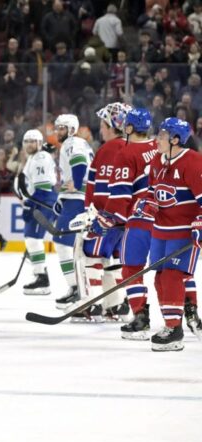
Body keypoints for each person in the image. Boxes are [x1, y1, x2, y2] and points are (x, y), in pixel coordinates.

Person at [96, 108, 157, 338]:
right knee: (172, 271)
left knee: (131, 267)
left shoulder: (126, 152)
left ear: (129, 128)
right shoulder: (157, 148)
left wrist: (108, 219)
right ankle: (188, 315)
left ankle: (140, 316)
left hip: (140, 219)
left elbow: (121, 195)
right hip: (163, 220)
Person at [149, 118, 202, 351]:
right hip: (160, 231)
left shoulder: (193, 162)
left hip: (183, 232)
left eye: (161, 135)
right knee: (160, 278)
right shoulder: (156, 161)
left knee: (172, 276)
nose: (157, 139)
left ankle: (175, 329)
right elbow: (152, 194)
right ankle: (175, 322)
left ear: (175, 139)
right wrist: (146, 205)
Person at [75, 102, 131, 322]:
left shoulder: (109, 149)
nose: (100, 128)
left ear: (112, 125)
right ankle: (116, 305)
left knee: (89, 254)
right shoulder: (132, 147)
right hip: (125, 219)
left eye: (103, 123)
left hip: (105, 217)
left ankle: (94, 304)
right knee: (114, 259)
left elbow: (102, 187)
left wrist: (93, 213)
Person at [52, 114, 92, 309]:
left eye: (61, 128)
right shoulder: (80, 143)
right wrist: (62, 197)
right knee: (77, 248)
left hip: (77, 201)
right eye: (57, 128)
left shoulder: (71, 142)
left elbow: (79, 164)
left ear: (71, 129)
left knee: (62, 244)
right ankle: (81, 289)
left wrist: (76, 185)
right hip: (77, 200)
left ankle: (76, 289)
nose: (57, 132)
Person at [14, 129, 57, 295]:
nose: (29, 144)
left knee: (33, 239)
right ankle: (40, 273)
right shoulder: (33, 157)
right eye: (27, 141)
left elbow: (43, 188)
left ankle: (42, 279)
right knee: (31, 239)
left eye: (33, 141)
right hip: (39, 201)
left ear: (39, 143)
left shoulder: (40, 158)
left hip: (44, 202)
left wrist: (30, 205)